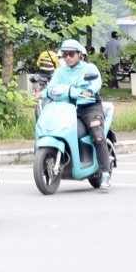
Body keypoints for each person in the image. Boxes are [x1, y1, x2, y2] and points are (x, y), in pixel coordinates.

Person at [44, 38, 112, 190]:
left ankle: (105, 172)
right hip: (67, 108)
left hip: (89, 107)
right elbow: (52, 86)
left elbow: (96, 83)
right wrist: (43, 92)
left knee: (98, 135)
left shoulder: (90, 68)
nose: (67, 57)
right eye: (64, 54)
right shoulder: (60, 71)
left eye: (71, 54)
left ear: (80, 55)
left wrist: (89, 91)